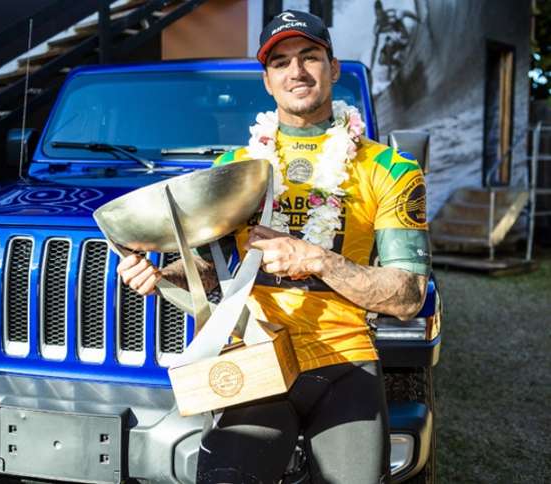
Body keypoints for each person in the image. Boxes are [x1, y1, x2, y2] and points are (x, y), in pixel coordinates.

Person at [117, 10, 431, 484]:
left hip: (345, 361)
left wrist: (317, 258)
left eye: (309, 57)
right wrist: (162, 278)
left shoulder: (389, 169)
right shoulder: (235, 167)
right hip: (255, 359)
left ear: (333, 66)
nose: (296, 71)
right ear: (267, 80)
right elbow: (206, 273)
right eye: (280, 62)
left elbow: (408, 297)